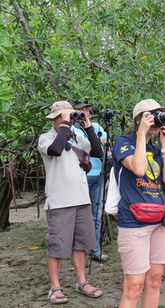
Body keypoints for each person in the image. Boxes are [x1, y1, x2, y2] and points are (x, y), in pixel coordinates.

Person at [38, 101, 104, 304]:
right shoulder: (46, 138)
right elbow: (56, 150)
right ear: (55, 119)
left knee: (80, 245)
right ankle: (54, 287)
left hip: (81, 200)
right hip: (60, 202)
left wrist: (88, 125)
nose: (65, 120)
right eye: (62, 117)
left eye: (67, 116)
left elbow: (97, 152)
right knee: (57, 246)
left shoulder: (76, 137)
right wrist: (66, 125)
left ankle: (82, 282)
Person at [112, 99, 165, 308]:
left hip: (159, 221)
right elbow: (139, 169)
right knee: (134, 285)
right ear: (139, 119)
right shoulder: (123, 141)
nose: (157, 120)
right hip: (133, 221)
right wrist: (140, 134)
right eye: (152, 115)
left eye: (159, 115)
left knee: (155, 280)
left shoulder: (156, 149)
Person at [71, 99, 109, 263]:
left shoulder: (98, 128)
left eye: (86, 109)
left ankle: (95, 251)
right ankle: (76, 251)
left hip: (98, 176)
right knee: (77, 215)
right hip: (79, 178)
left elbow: (104, 151)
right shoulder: (70, 130)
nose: (83, 113)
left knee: (96, 216)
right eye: (80, 110)